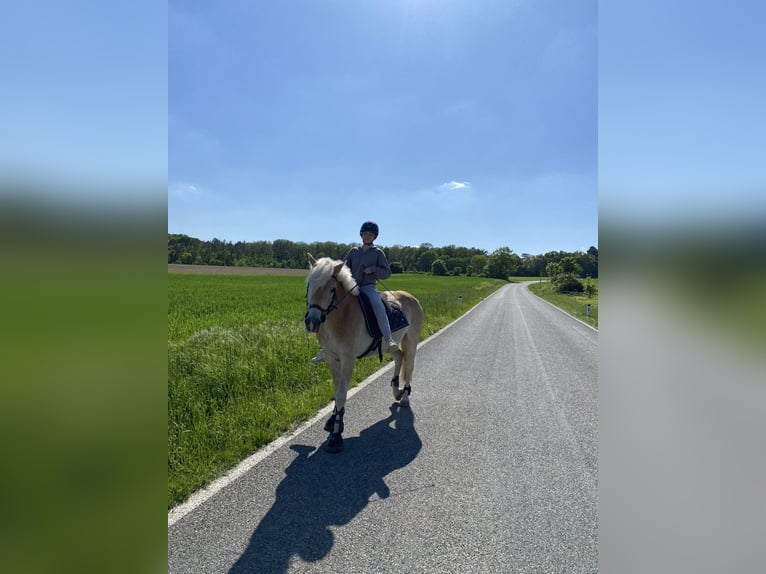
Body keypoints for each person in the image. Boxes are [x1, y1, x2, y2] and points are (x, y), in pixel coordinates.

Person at [310, 221, 399, 364]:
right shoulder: (353, 251)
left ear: (374, 237)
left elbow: (386, 272)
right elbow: (344, 268)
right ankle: (325, 348)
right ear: (361, 235)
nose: (368, 236)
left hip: (368, 287)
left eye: (370, 234)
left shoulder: (378, 253)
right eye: (365, 234)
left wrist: (373, 269)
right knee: (329, 306)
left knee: (378, 305)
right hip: (351, 286)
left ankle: (388, 339)